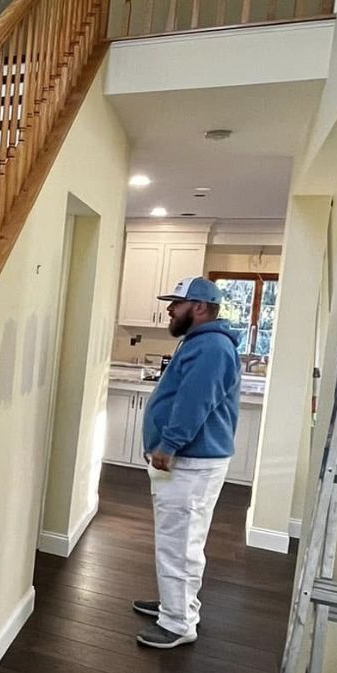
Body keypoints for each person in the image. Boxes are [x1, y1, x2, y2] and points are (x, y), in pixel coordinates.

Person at [133, 277, 241, 650]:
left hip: (190, 461)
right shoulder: (202, 343)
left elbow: (195, 402)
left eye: (176, 303)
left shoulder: (210, 347)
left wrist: (168, 445)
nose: (169, 309)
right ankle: (175, 605)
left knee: (179, 543)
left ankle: (178, 623)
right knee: (180, 539)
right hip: (191, 461)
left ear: (198, 307)